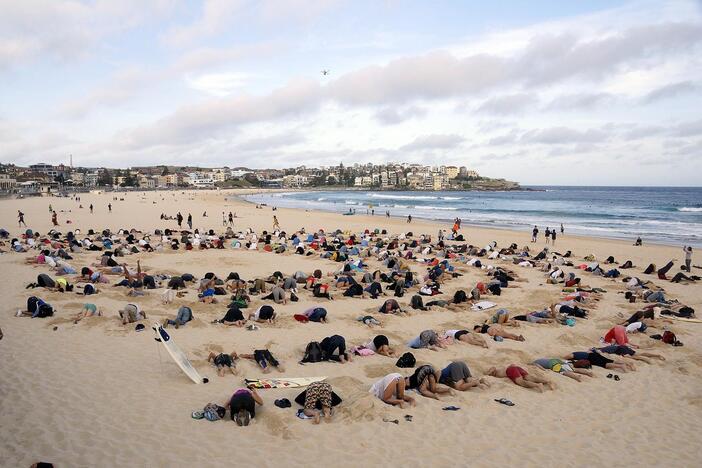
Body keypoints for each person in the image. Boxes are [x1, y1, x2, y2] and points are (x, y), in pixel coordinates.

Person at [487, 365, 555, 392]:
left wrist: (487, 373)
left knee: (521, 382)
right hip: (515, 368)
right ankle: (547, 382)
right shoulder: (497, 373)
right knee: (530, 377)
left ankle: (537, 385)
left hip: (510, 370)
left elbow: (492, 368)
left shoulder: (496, 371)